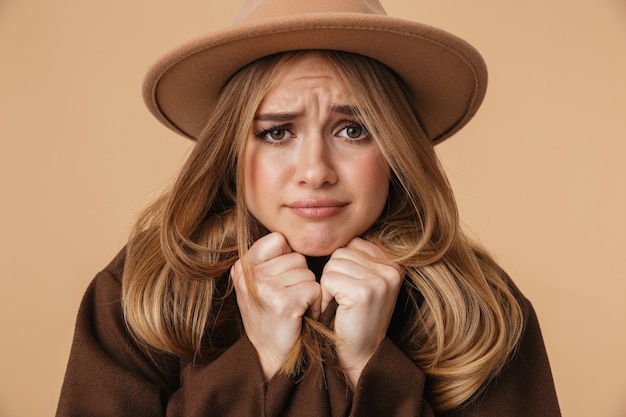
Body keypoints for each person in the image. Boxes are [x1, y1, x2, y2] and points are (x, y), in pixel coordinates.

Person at [56, 0, 561, 415]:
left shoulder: (481, 307)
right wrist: (256, 364)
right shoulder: (142, 291)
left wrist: (371, 368)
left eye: (353, 130)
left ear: (397, 150)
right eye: (277, 132)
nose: (315, 170)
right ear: (231, 151)